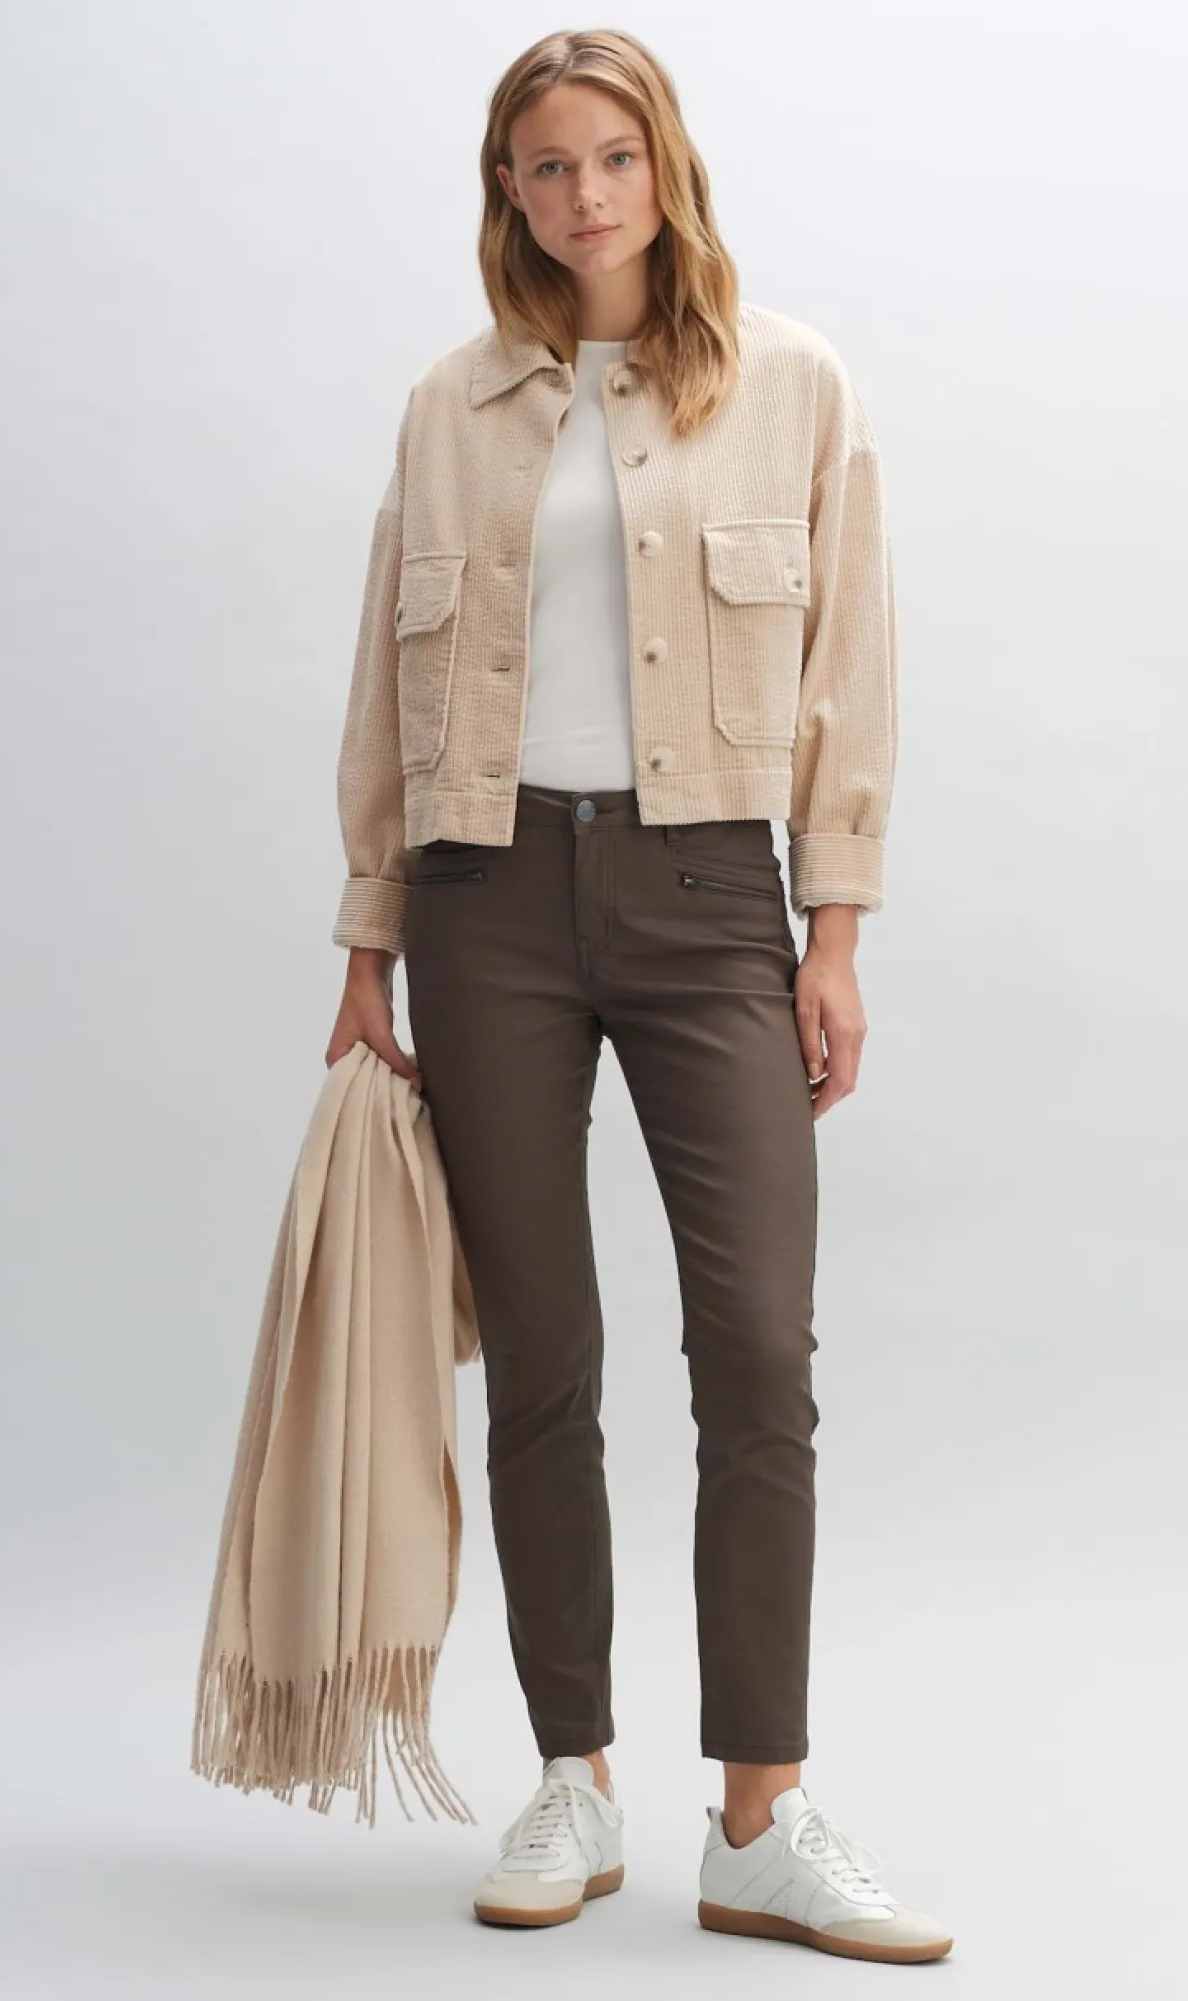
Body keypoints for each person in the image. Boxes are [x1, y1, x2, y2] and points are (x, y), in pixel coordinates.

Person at [323, 28, 953, 1965]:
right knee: (543, 1358)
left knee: (756, 1351)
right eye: (543, 166)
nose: (582, 195)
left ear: (663, 166)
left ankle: (760, 1815)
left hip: (705, 894)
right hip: (485, 898)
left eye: (611, 156)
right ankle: (572, 1774)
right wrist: (367, 935)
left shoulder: (790, 381)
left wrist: (832, 931)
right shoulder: (449, 406)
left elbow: (849, 664)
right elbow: (385, 680)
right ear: (504, 193)